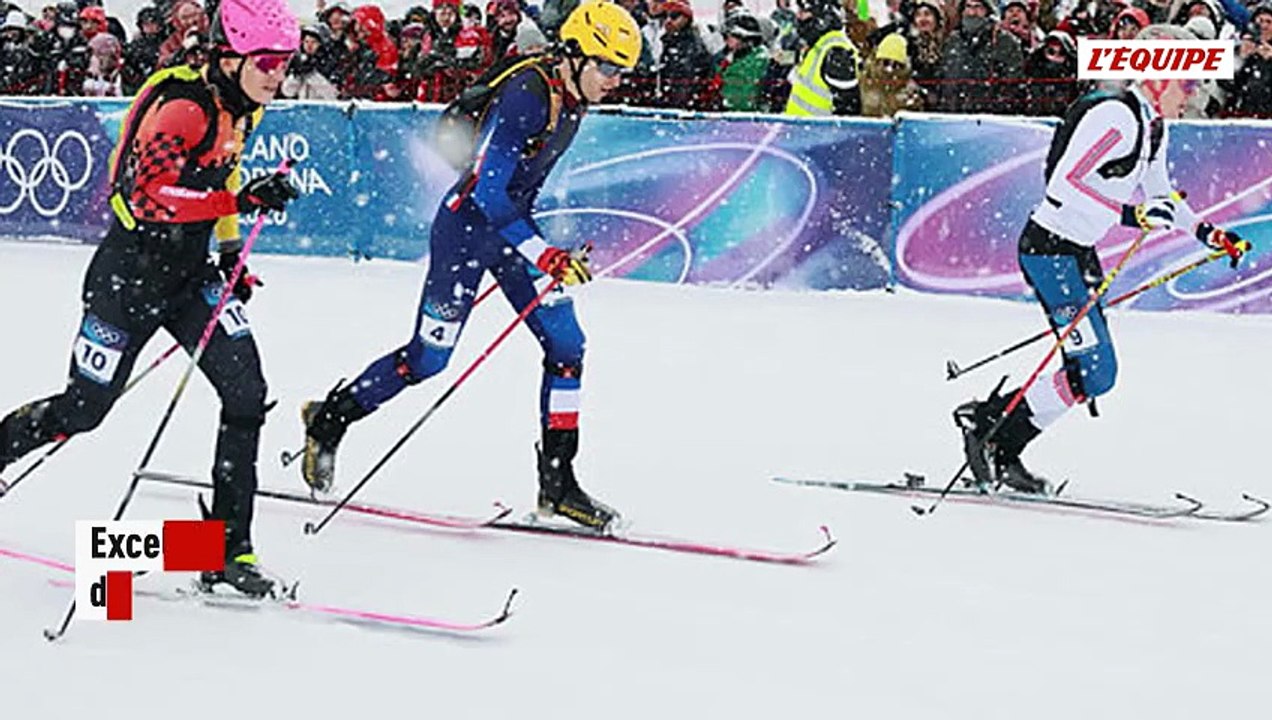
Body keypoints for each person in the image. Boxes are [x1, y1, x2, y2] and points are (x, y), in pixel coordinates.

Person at [298, 0, 641, 533]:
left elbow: (517, 195)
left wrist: (539, 251)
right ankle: (329, 417)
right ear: (574, 55)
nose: (616, 81)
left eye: (624, 71)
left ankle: (558, 485)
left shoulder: (574, 98)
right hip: (465, 233)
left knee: (567, 345)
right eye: (609, 67)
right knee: (427, 360)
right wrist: (544, 254)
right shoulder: (529, 93)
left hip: (511, 236)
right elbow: (486, 192)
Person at [0, 0, 301, 596]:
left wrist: (229, 251)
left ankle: (226, 548)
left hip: (189, 279)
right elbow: (148, 198)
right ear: (230, 56)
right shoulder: (184, 107)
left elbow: (223, 173)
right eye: (268, 61)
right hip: (129, 278)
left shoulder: (242, 106)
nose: (279, 74)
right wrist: (237, 204)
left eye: (286, 62)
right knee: (84, 410)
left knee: (246, 392)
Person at [953, 24, 1250, 494]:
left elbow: (1161, 194)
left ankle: (998, 440)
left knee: (1091, 372)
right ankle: (990, 428)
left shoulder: (1154, 127)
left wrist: (1206, 233)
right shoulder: (1115, 116)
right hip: (1050, 251)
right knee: (1096, 370)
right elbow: (1063, 183)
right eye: (1189, 80)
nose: (1195, 91)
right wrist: (1131, 215)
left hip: (1078, 254)